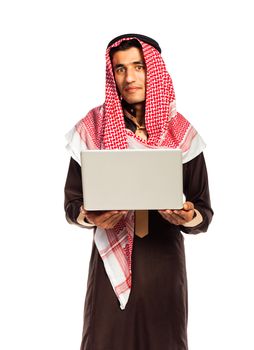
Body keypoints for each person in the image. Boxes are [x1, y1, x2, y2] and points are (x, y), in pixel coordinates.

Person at [64, 33, 213, 350]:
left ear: (155, 70)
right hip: (108, 270)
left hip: (163, 265)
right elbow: (72, 204)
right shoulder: (93, 128)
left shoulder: (181, 133)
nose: (129, 77)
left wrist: (187, 215)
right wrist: (91, 216)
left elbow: (203, 212)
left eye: (139, 66)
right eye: (120, 69)